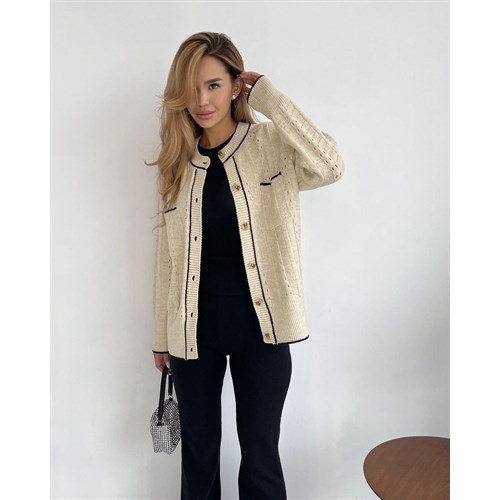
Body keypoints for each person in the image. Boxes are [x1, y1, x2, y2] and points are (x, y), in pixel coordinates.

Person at [146, 32, 345, 500]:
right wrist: (162, 337)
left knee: (261, 458)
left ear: (237, 85)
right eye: (191, 89)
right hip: (193, 333)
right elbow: (168, 258)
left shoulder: (271, 145)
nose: (202, 101)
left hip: (263, 330)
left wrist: (270, 98)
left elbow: (330, 166)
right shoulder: (177, 163)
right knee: (198, 458)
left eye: (213, 85)